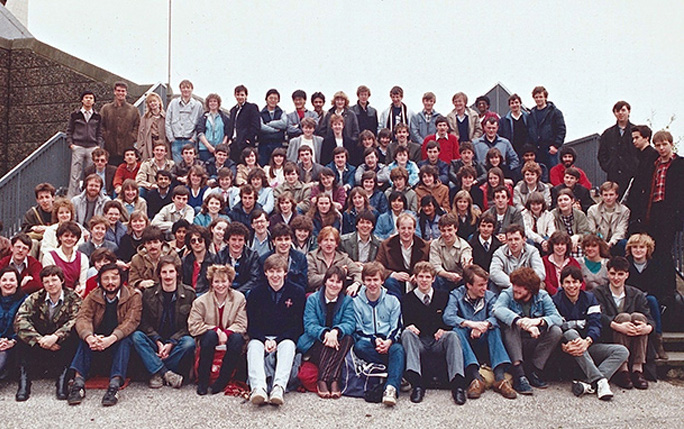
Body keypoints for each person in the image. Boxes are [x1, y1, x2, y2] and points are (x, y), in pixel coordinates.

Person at [67, 263, 141, 406]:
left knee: (127, 339)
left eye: (114, 278)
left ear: (121, 279)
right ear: (100, 280)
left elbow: (131, 322)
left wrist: (111, 339)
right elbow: (83, 318)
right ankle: (78, 384)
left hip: (117, 344)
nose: (110, 282)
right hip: (97, 343)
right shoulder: (93, 295)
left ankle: (114, 387)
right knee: (83, 337)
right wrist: (90, 337)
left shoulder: (133, 295)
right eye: (105, 278)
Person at [553, 265, 629, 401]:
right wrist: (563, 346)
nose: (571, 286)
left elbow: (595, 324)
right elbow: (558, 328)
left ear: (581, 283)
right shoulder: (555, 301)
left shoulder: (590, 298)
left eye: (575, 282)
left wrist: (587, 341)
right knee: (570, 333)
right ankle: (601, 382)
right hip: (568, 351)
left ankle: (590, 383)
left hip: (587, 345)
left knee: (622, 351)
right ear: (562, 284)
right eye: (567, 282)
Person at [444, 265, 516, 400]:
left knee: (494, 328)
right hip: (466, 340)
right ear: (469, 285)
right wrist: (471, 324)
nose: (485, 288)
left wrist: (484, 325)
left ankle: (500, 379)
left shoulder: (490, 296)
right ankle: (476, 378)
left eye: (486, 284)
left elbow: (496, 315)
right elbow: (448, 316)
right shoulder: (456, 295)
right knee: (456, 331)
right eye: (481, 285)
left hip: (485, 338)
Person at [401, 262, 466, 404]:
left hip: (437, 340)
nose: (424, 280)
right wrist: (409, 326)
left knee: (453, 336)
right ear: (415, 278)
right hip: (419, 341)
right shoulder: (407, 299)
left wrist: (444, 329)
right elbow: (405, 320)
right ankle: (417, 384)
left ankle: (458, 384)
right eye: (421, 277)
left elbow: (449, 318)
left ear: (433, 279)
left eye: (427, 277)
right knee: (406, 334)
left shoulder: (443, 297)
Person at [13, 266, 81, 401]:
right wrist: (39, 339)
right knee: (22, 337)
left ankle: (63, 379)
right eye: (46, 281)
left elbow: (77, 319)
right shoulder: (36, 297)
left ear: (61, 280)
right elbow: (20, 319)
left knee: (74, 335)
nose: (51, 284)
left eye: (54, 280)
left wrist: (56, 337)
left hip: (61, 343)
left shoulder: (73, 297)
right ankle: (24, 380)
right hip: (40, 343)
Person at [493, 267, 563, 395]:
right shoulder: (508, 293)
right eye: (514, 284)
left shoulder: (542, 296)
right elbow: (497, 309)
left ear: (530, 288)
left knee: (556, 331)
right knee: (511, 325)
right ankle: (519, 374)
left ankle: (534, 371)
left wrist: (538, 321)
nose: (515, 289)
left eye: (520, 286)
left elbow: (558, 318)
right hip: (514, 342)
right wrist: (519, 321)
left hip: (534, 341)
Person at [246, 254, 305, 405]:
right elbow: (251, 324)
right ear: (265, 272)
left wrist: (278, 340)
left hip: (284, 337)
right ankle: (258, 388)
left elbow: (297, 325)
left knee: (289, 346)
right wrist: (264, 340)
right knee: (253, 347)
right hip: (262, 337)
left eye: (278, 271)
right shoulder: (255, 293)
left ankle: (279, 388)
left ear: (285, 272)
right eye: (271, 271)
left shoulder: (297, 292)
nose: (275, 275)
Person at [132, 256, 195, 390]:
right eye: (164, 272)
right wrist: (158, 341)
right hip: (155, 343)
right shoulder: (149, 293)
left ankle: (155, 370)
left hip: (176, 343)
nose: (168, 276)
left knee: (189, 342)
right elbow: (143, 322)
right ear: (159, 274)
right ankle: (166, 373)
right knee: (136, 336)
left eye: (171, 271)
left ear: (177, 273)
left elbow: (190, 325)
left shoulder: (189, 294)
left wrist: (171, 343)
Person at [592, 257, 653, 390]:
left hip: (635, 338)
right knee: (623, 317)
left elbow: (650, 318)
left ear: (627, 274)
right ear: (607, 274)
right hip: (610, 336)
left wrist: (646, 328)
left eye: (620, 274)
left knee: (639, 317)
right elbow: (598, 316)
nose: (616, 278)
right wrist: (618, 326)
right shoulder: (598, 293)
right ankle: (622, 369)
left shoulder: (636, 294)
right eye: (613, 274)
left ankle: (638, 369)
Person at [352, 262, 405, 407]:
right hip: (368, 341)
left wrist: (388, 341)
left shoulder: (392, 300)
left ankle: (391, 389)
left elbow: (397, 326)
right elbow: (358, 328)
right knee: (360, 346)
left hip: (388, 340)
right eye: (368, 280)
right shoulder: (356, 301)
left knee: (398, 350)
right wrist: (374, 340)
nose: (372, 284)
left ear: (382, 280)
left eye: (375, 280)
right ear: (363, 281)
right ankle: (396, 371)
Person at [187, 264, 246, 395]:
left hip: (230, 337)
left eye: (224, 281)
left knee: (237, 339)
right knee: (210, 336)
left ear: (230, 282)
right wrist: (215, 329)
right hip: (209, 338)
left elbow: (242, 323)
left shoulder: (239, 298)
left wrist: (227, 332)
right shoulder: (200, 301)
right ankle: (203, 380)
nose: (220, 285)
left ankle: (222, 380)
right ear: (211, 283)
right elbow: (193, 325)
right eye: (216, 282)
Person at [297, 265, 355, 398]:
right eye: (331, 280)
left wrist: (335, 331)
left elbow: (350, 323)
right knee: (329, 343)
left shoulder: (347, 301)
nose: (334, 285)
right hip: (315, 342)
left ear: (342, 285)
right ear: (325, 281)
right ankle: (331, 380)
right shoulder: (313, 299)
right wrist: (326, 334)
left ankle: (325, 379)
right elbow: (309, 325)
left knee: (347, 338)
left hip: (337, 342)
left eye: (338, 282)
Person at [625, 234, 673, 360]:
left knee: (651, 300)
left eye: (642, 247)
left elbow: (660, 288)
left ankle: (657, 341)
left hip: (649, 300)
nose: (638, 250)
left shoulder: (655, 266)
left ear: (648, 249)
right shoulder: (626, 265)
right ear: (630, 249)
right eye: (634, 247)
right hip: (630, 300)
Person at [375, 213, 430, 300]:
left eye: (409, 228)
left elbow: (429, 266)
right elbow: (378, 266)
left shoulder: (424, 245)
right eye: (403, 228)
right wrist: (393, 274)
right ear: (398, 229)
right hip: (397, 280)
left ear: (414, 229)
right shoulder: (386, 244)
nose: (406, 232)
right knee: (389, 282)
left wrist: (418, 275)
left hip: (416, 279)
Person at [67, 90, 104, 197]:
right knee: (75, 175)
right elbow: (69, 130)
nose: (88, 100)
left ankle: (88, 196)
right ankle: (72, 199)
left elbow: (99, 132)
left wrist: (98, 144)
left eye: (91, 98)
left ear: (94, 101)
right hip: (78, 146)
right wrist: (71, 144)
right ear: (82, 100)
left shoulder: (97, 116)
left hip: (92, 147)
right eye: (86, 97)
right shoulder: (75, 115)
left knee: (91, 174)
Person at [489, 224, 545, 293]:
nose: (513, 243)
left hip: (529, 288)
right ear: (506, 241)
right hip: (508, 289)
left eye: (516, 239)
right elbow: (494, 272)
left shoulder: (533, 251)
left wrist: (525, 285)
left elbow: (540, 272)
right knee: (493, 284)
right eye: (510, 240)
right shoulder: (499, 253)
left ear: (524, 240)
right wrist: (515, 285)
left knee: (540, 285)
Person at [598, 101, 638, 197]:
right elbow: (601, 155)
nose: (620, 113)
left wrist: (635, 167)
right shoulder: (608, 133)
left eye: (623, 110)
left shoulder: (636, 131)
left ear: (629, 111)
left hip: (632, 175)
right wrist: (609, 166)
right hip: (613, 175)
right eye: (617, 111)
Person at [624, 125, 659, 232]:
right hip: (636, 197)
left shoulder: (653, 155)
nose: (634, 141)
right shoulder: (637, 154)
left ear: (646, 138)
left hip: (645, 198)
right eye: (633, 138)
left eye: (637, 138)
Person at [307, 226, 362, 293]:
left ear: (336, 244)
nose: (329, 244)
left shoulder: (343, 257)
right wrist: (338, 273)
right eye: (325, 240)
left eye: (332, 240)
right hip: (317, 293)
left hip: (339, 294)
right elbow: (311, 280)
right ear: (319, 243)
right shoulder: (312, 257)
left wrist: (356, 284)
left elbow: (357, 272)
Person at [42, 221, 89, 296]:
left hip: (76, 297)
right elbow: (50, 282)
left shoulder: (83, 258)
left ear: (77, 239)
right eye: (66, 236)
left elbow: (83, 284)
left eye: (73, 236)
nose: (69, 239)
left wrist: (78, 292)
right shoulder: (49, 257)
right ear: (60, 237)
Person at [429, 213, 473, 292]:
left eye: (449, 230)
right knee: (435, 279)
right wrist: (448, 275)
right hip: (442, 277)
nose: (446, 234)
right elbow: (435, 267)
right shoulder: (435, 244)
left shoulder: (464, 246)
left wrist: (467, 267)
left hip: (459, 279)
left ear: (455, 229)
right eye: (443, 230)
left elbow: (466, 262)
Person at [128, 225, 181, 289]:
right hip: (145, 292)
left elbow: (180, 278)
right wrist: (141, 284)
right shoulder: (136, 259)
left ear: (161, 242)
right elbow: (132, 282)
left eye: (155, 242)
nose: (152, 246)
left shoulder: (173, 256)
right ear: (144, 244)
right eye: (149, 243)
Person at [100, 82, 140, 165]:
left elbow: (137, 125)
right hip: (110, 146)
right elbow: (100, 124)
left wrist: (132, 137)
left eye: (123, 91)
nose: (120, 93)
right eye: (118, 90)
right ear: (114, 92)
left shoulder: (133, 110)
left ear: (126, 92)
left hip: (127, 147)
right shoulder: (106, 108)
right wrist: (106, 135)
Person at [165, 80, 203, 164]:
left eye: (188, 87)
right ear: (180, 89)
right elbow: (167, 121)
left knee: (191, 166)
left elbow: (200, 124)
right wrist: (171, 139)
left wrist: (193, 139)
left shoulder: (198, 105)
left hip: (190, 140)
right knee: (178, 166)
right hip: (176, 140)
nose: (185, 90)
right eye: (183, 87)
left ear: (191, 89)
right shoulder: (173, 103)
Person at [0, 267, 27, 385]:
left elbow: (26, 325)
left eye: (12, 280)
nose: (8, 283)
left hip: (14, 344)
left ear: (17, 283)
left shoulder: (25, 300)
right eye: (4, 280)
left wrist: (12, 341)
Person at [527, 85, 566, 168]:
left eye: (540, 97)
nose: (538, 99)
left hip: (550, 150)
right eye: (536, 97)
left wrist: (556, 146)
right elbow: (529, 131)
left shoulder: (555, 112)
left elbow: (561, 130)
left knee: (552, 174)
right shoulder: (531, 114)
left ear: (545, 97)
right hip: (536, 151)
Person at [217, 222, 261, 294]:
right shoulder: (220, 255)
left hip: (244, 292)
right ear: (227, 240)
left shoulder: (252, 256)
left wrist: (237, 293)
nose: (237, 244)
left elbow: (254, 280)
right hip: (224, 291)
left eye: (240, 240)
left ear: (244, 242)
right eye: (234, 239)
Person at [587, 182, 630, 254]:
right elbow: (591, 230)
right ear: (601, 195)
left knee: (624, 243)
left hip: (615, 242)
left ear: (616, 195)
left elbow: (621, 230)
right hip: (598, 242)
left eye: (611, 195)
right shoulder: (592, 210)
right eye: (605, 195)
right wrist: (602, 243)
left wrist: (611, 243)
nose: (608, 198)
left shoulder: (624, 211)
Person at [551, 189, 591, 256]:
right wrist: (568, 241)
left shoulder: (580, 214)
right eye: (560, 200)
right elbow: (553, 234)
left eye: (566, 199)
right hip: (560, 244)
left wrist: (577, 236)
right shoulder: (552, 215)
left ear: (572, 201)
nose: (563, 202)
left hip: (577, 244)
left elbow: (586, 233)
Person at [226, 84, 260, 163]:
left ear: (246, 96)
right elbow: (231, 126)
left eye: (242, 95)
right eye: (238, 95)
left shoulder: (251, 107)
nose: (240, 97)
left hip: (245, 143)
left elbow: (255, 125)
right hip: (234, 143)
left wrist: (248, 139)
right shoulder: (233, 110)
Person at [542, 231, 582, 295]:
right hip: (552, 297)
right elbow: (546, 282)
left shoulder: (573, 262)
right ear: (552, 246)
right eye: (557, 244)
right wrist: (559, 296)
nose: (560, 247)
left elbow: (581, 281)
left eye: (563, 244)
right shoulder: (544, 261)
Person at [181, 226, 216, 295]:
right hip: (189, 296)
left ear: (205, 241)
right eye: (193, 241)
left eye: (200, 240)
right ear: (190, 243)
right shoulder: (184, 261)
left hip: (208, 296)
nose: (197, 243)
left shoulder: (214, 260)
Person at [195, 93, 230, 162]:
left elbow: (227, 132)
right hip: (205, 148)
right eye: (210, 101)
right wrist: (209, 146)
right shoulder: (203, 117)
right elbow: (200, 132)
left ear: (218, 103)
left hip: (220, 150)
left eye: (214, 101)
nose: (212, 103)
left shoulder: (224, 118)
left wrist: (222, 146)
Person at [258, 88, 288, 166]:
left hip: (277, 144)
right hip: (264, 145)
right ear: (266, 99)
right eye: (271, 98)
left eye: (275, 98)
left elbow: (284, 123)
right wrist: (275, 130)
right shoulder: (260, 113)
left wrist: (268, 124)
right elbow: (261, 127)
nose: (273, 100)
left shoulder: (281, 112)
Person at [137, 92, 168, 162]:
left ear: (159, 102)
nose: (152, 103)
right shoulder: (145, 118)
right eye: (150, 102)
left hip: (162, 144)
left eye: (154, 101)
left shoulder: (165, 117)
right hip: (149, 145)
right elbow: (140, 133)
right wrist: (141, 148)